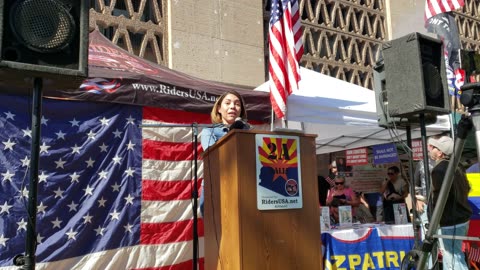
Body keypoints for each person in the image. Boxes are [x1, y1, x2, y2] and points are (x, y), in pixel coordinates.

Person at [199, 90, 249, 216]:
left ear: (241, 110)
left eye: (237, 104)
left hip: (245, 187)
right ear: (219, 109)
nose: (233, 106)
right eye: (228, 103)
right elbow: (214, 157)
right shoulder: (209, 132)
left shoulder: (250, 131)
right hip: (217, 187)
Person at [428, 135, 472, 270]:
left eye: (434, 147)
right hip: (461, 217)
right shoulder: (457, 165)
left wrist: (433, 220)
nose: (430, 149)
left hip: (450, 220)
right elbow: (467, 188)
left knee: (453, 259)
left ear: (440, 152)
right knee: (453, 257)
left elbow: (440, 199)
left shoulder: (439, 169)